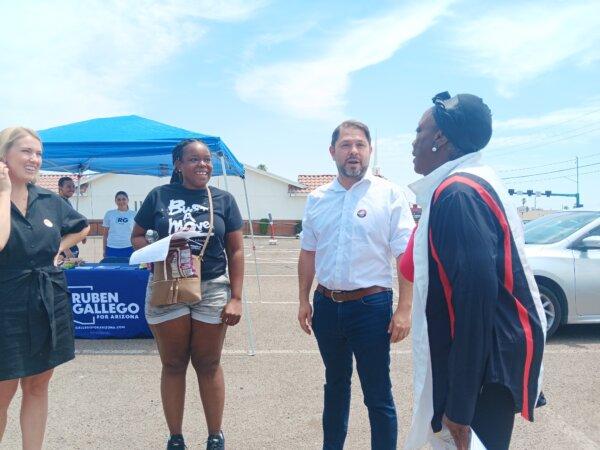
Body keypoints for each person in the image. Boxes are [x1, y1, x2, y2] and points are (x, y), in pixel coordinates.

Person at [403, 92, 546, 450]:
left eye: (420, 131)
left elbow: (475, 306)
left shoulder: (458, 195)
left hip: (482, 374)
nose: (413, 141)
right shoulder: (471, 181)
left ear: (440, 139)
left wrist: (460, 409)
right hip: (483, 365)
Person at [298, 120, 415, 450]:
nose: (353, 151)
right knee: (335, 386)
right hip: (326, 306)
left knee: (377, 393)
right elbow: (308, 252)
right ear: (332, 151)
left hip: (371, 307)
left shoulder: (389, 194)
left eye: (360, 145)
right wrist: (303, 299)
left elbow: (405, 256)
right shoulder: (318, 198)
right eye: (346, 145)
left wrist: (404, 309)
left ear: (369, 151)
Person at [131, 139, 244, 450]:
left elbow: (235, 250)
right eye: (193, 159)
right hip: (168, 287)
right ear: (178, 164)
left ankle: (215, 436)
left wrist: (236, 297)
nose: (202, 164)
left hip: (211, 288)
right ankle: (176, 438)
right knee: (173, 364)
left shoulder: (224, 199)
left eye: (206, 159)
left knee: (208, 364)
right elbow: (137, 236)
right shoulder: (159, 196)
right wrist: (156, 254)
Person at [0, 127, 89, 449]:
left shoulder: (50, 200)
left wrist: (58, 248)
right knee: (3, 390)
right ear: (3, 155)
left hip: (47, 297)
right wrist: (2, 191)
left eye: (38, 153)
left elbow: (82, 227)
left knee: (38, 384)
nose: (34, 159)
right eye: (25, 151)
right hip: (5, 302)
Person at [102, 191, 136, 258]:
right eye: (119, 199)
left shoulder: (134, 214)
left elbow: (137, 233)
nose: (121, 201)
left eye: (124, 199)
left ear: (128, 200)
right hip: (112, 248)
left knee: (129, 268)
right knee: (111, 268)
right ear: (115, 201)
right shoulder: (109, 214)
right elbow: (105, 234)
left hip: (129, 247)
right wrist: (104, 250)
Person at [57, 176, 83, 258]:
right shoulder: (58, 202)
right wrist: (66, 250)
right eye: (68, 186)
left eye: (73, 186)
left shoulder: (66, 201)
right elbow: (57, 228)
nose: (72, 189)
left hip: (71, 244)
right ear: (60, 188)